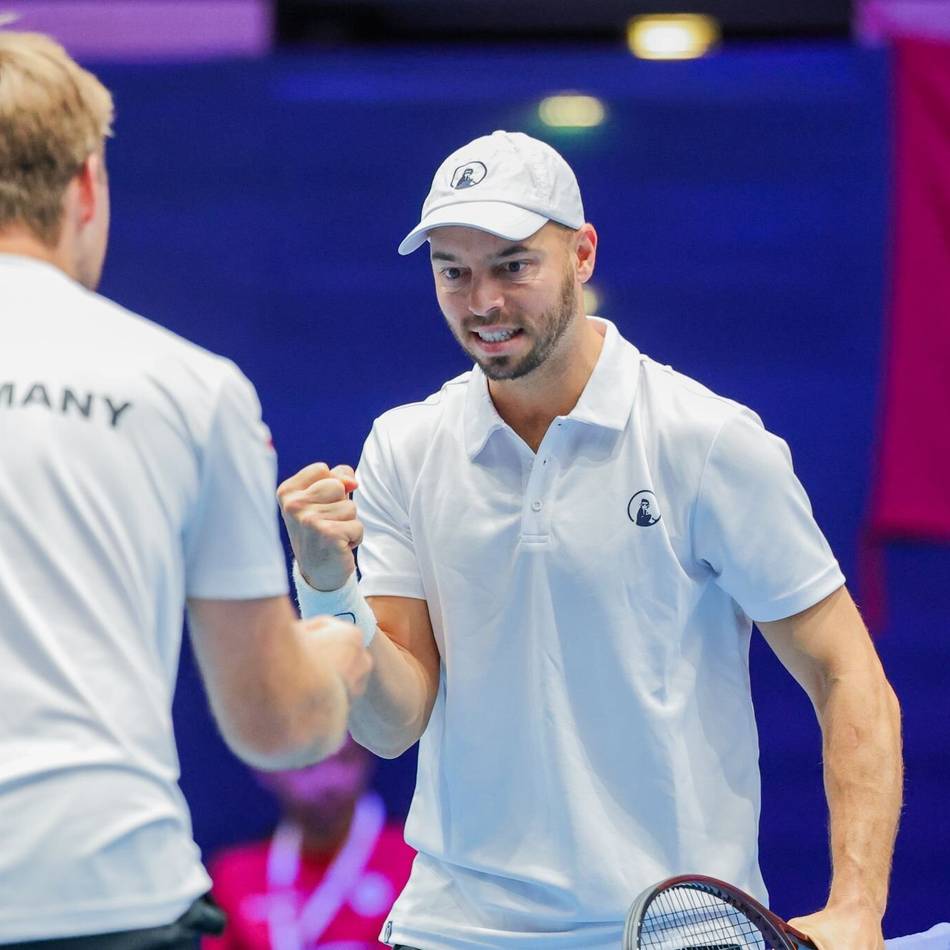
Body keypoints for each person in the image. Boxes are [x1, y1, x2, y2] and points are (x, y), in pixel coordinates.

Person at [278, 130, 903, 950]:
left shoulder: (705, 439)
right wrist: (329, 586)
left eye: (512, 265)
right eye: (452, 272)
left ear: (582, 253)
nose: (482, 303)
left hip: (682, 936)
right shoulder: (404, 445)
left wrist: (858, 906)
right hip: (454, 932)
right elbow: (391, 724)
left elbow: (845, 670)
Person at [0, 30, 371, 949]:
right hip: (102, 898)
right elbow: (278, 726)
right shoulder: (189, 388)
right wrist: (342, 639)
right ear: (87, 184)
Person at [204, 737, 415, 949]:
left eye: (345, 759)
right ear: (266, 769)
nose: (329, 781)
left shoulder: (413, 862)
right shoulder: (234, 876)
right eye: (308, 765)